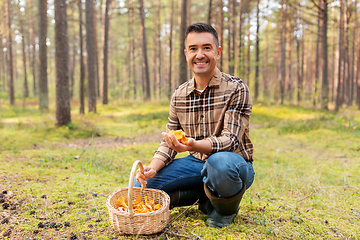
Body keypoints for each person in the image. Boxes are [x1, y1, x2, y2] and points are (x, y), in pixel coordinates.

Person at [135, 22, 255, 228]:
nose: (200, 54)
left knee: (218, 165)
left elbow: (231, 140)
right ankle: (206, 196)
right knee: (142, 187)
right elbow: (169, 139)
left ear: (217, 52)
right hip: (196, 164)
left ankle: (226, 210)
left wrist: (192, 145)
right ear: (186, 54)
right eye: (193, 49)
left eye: (206, 48)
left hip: (232, 163)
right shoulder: (179, 95)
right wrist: (152, 168)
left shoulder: (236, 88)